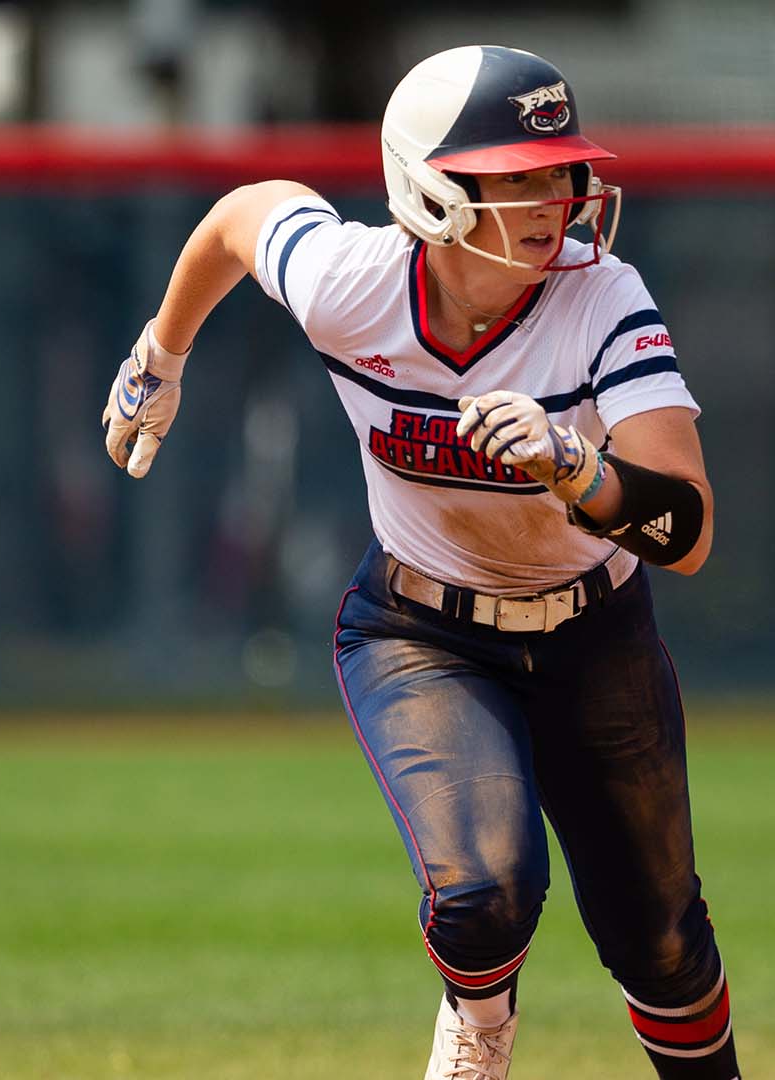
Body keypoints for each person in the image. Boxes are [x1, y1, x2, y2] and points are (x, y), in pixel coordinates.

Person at [102, 45, 741, 1080]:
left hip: (594, 634)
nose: (553, 200)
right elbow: (239, 218)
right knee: (486, 890)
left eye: (562, 173)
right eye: (517, 177)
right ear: (432, 193)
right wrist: (160, 354)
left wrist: (579, 471)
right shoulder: (355, 285)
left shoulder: (602, 298)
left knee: (660, 942)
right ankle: (479, 1025)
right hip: (422, 629)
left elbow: (692, 530)